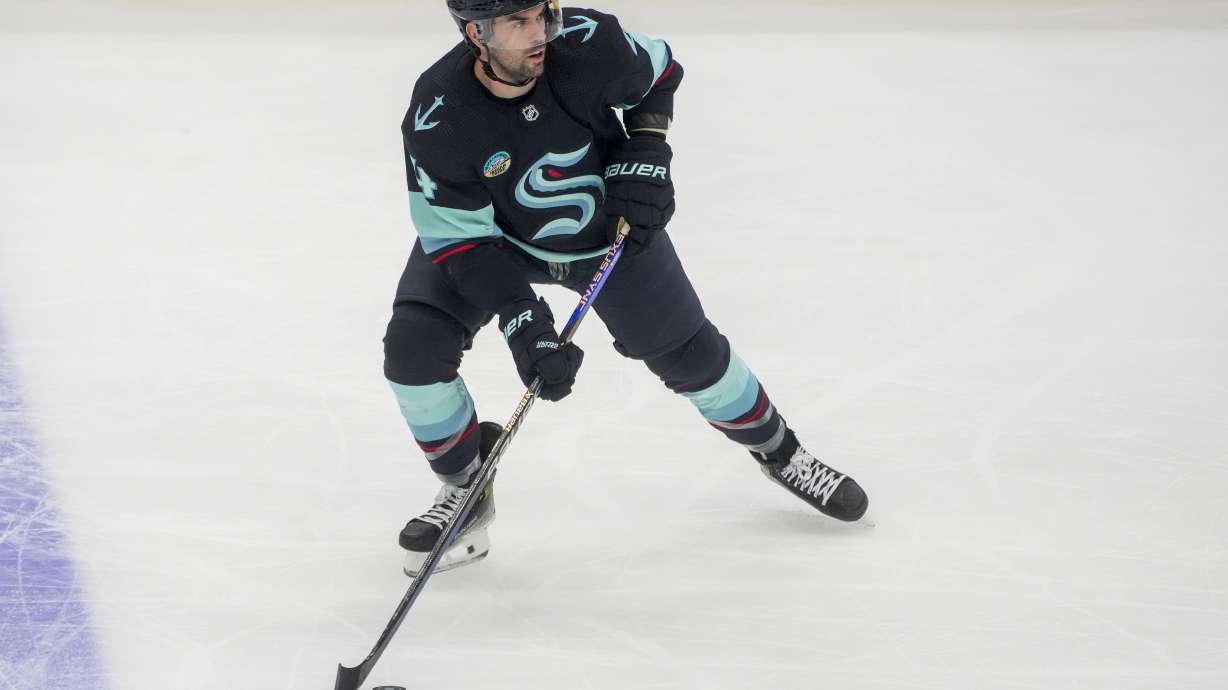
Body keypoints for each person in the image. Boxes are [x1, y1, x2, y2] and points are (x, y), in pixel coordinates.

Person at [386, 0, 869, 576]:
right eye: (519, 22)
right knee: (413, 350)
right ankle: (466, 486)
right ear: (476, 33)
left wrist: (647, 147)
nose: (541, 33)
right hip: (499, 244)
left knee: (694, 359)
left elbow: (661, 73)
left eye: (544, 13)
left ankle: (781, 452)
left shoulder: (587, 42)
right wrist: (521, 319)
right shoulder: (438, 113)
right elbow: (459, 242)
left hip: (608, 237)